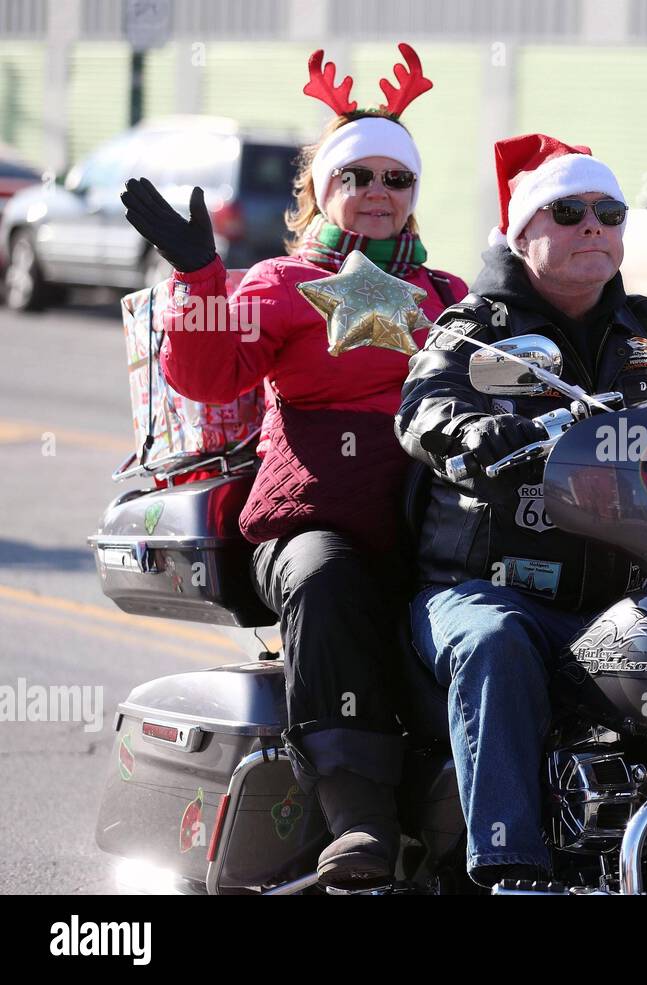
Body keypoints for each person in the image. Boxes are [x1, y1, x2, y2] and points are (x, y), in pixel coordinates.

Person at [119, 44, 468, 889]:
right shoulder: (280, 282)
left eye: (397, 178)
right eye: (359, 178)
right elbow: (205, 378)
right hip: (310, 533)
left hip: (437, 537)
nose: (379, 193)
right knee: (328, 573)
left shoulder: (453, 295)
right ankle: (358, 821)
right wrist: (200, 276)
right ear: (321, 192)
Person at [397, 134, 647, 887]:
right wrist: (479, 432)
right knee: (496, 638)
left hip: (618, 600)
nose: (593, 227)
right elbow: (425, 404)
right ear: (521, 232)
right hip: (480, 591)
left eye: (609, 212)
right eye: (569, 211)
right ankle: (513, 868)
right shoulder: (475, 328)